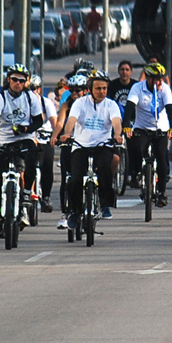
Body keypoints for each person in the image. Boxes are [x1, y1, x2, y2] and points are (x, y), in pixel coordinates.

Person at [58, 70, 123, 229]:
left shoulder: (111, 104)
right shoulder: (81, 103)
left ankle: (105, 204)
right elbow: (71, 120)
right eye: (98, 89)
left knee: (106, 170)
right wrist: (67, 133)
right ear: (90, 89)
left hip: (103, 145)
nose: (101, 92)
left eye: (104, 89)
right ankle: (74, 211)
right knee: (75, 179)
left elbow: (116, 122)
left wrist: (117, 134)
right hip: (81, 146)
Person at [0, 64, 44, 232]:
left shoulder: (31, 97)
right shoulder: (1, 98)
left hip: (24, 138)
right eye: (14, 80)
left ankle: (26, 194)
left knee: (33, 157)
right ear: (8, 80)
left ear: (26, 82)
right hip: (4, 140)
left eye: (21, 80)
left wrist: (27, 129)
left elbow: (39, 120)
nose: (17, 83)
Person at [124, 62, 172, 208]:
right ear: (148, 78)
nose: (160, 82)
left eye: (161, 78)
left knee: (161, 155)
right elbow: (129, 107)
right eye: (156, 79)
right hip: (142, 127)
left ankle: (162, 192)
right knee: (135, 147)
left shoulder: (164, 89)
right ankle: (136, 173)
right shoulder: (137, 88)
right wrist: (126, 125)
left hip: (160, 128)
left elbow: (170, 109)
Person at [50, 74, 88, 229]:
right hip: (71, 142)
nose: (75, 93)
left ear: (86, 91)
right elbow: (60, 122)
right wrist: (55, 136)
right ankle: (66, 212)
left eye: (78, 90)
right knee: (67, 178)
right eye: (72, 90)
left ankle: (93, 203)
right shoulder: (66, 105)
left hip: (86, 143)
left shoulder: (90, 104)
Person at [29, 74, 58, 213]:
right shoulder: (24, 102)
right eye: (29, 88)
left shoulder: (46, 103)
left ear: (39, 89)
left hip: (45, 137)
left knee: (47, 167)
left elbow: (53, 120)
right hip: (30, 138)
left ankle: (46, 196)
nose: (32, 92)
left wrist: (55, 135)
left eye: (35, 88)